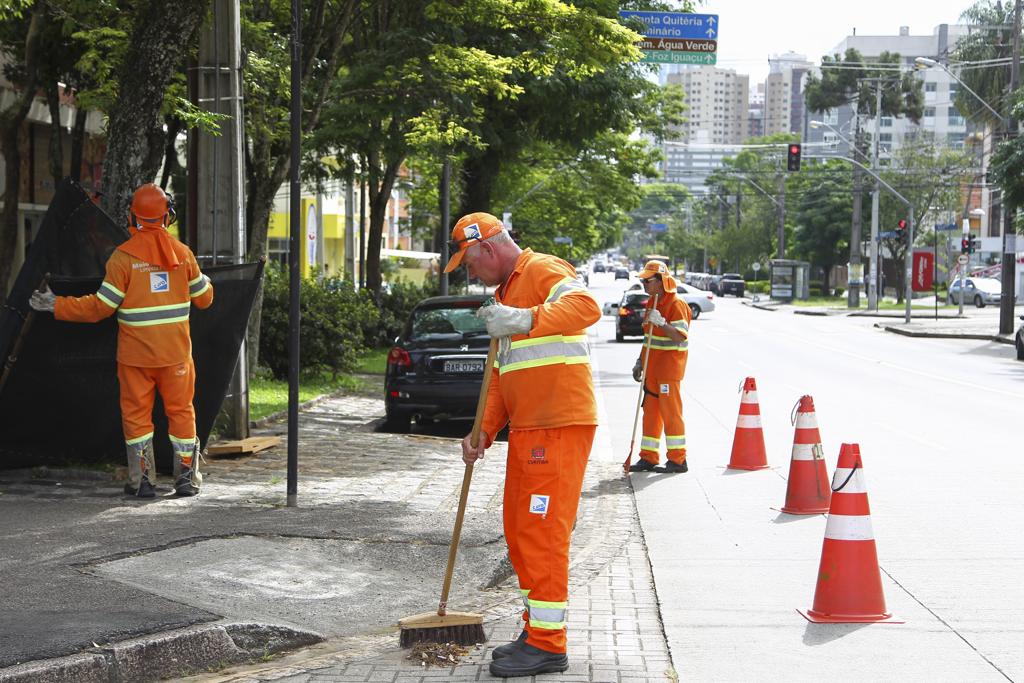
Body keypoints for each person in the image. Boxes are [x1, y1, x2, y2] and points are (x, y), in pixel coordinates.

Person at [446, 212, 600, 678]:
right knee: (519, 529)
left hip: (558, 424)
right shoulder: (505, 296)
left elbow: (586, 307)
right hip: (532, 430)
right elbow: (501, 378)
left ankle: (549, 645)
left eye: (470, 263)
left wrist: (527, 317)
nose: (470, 273)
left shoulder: (543, 271)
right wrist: (482, 432)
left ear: (489, 249)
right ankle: (536, 630)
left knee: (542, 531)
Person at [29, 183, 214, 498]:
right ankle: (186, 479)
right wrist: (206, 282)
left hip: (135, 359)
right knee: (181, 412)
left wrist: (56, 304)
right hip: (176, 356)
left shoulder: (122, 259)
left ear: (134, 216)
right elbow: (204, 300)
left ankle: (142, 481)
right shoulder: (183, 255)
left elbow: (100, 307)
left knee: (136, 416)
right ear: (167, 217)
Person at [629, 260, 691, 473]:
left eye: (648, 280)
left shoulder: (677, 304)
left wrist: (663, 323)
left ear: (661, 280)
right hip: (652, 370)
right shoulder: (652, 303)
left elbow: (680, 338)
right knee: (651, 414)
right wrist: (640, 361)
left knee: (671, 414)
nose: (644, 284)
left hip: (669, 371)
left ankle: (678, 460)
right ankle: (648, 457)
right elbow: (648, 338)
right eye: (643, 280)